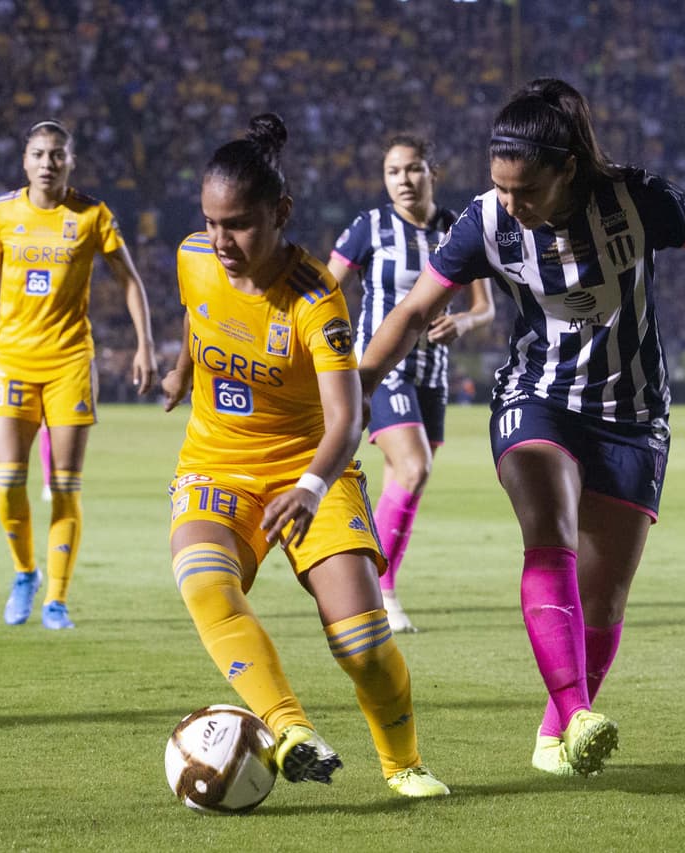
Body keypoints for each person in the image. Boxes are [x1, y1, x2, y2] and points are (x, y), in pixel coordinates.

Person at [357, 79, 685, 778]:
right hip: (538, 397)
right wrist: (360, 386)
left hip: (634, 415)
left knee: (605, 595)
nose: (512, 204)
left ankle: (558, 730)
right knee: (548, 528)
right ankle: (579, 707)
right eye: (500, 187)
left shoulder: (636, 198)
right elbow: (409, 312)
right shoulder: (486, 221)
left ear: (567, 171)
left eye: (525, 190)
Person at [161, 113, 449, 798]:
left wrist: (314, 486)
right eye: (211, 222)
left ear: (280, 212)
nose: (221, 241)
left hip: (310, 470)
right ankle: (287, 729)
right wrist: (180, 369)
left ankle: (402, 762)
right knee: (204, 583)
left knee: (361, 646)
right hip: (215, 464)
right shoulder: (193, 256)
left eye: (239, 224)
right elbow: (196, 312)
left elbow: (348, 417)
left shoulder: (317, 299)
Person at [0, 119, 157, 630]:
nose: (47, 163)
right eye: (39, 154)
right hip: (13, 360)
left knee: (65, 487)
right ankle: (25, 573)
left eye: (57, 155)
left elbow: (130, 282)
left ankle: (57, 599)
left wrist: (145, 344)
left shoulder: (92, 216)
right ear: (25, 161)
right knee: (7, 484)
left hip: (69, 364)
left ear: (71, 162)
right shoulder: (1, 212)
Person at [327, 134, 495, 633]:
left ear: (432, 173)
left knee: (405, 483)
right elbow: (323, 290)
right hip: (383, 367)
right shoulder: (371, 227)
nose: (404, 180)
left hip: (431, 373)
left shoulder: (457, 229)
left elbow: (483, 307)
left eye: (414, 169)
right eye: (393, 172)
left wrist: (462, 323)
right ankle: (378, 590)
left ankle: (372, 589)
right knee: (415, 467)